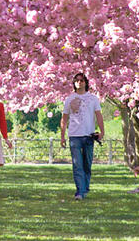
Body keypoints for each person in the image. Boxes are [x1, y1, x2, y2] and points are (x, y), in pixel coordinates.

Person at [60, 72, 104, 200]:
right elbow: (64, 118)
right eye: (77, 80)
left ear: (86, 82)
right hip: (74, 136)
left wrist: (102, 131)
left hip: (89, 135)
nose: (79, 82)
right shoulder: (69, 99)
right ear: (74, 83)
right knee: (77, 164)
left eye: (82, 80)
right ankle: (80, 191)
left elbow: (99, 115)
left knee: (87, 164)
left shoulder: (93, 98)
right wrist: (62, 136)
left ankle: (85, 187)